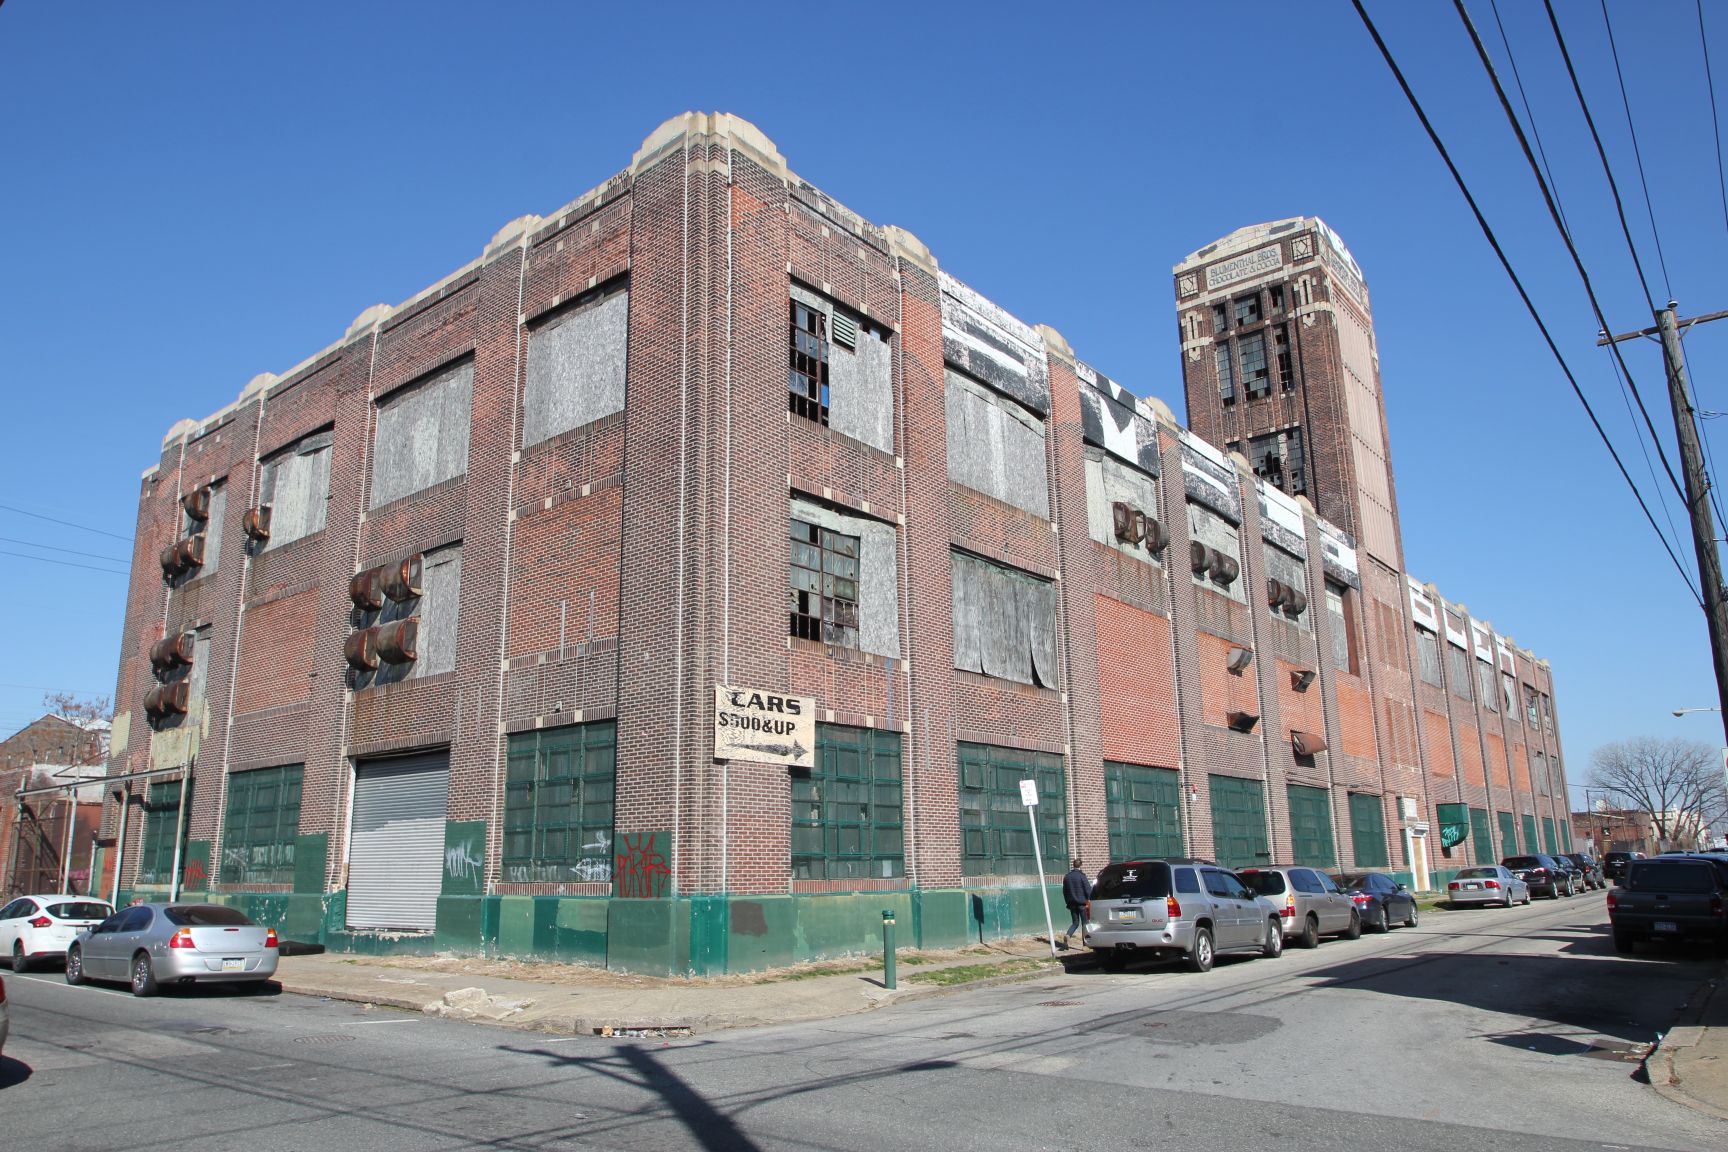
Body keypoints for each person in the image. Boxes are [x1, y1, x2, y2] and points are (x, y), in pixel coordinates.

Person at [1060, 858, 1092, 950]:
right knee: (1085, 924)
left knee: (1075, 923)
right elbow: (1088, 889)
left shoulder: (1067, 876)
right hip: (1082, 904)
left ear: (1073, 865)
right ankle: (1084, 945)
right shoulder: (1082, 876)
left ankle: (1068, 935)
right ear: (1080, 865)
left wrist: (1068, 902)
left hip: (1072, 903)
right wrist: (1089, 900)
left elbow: (1065, 891)